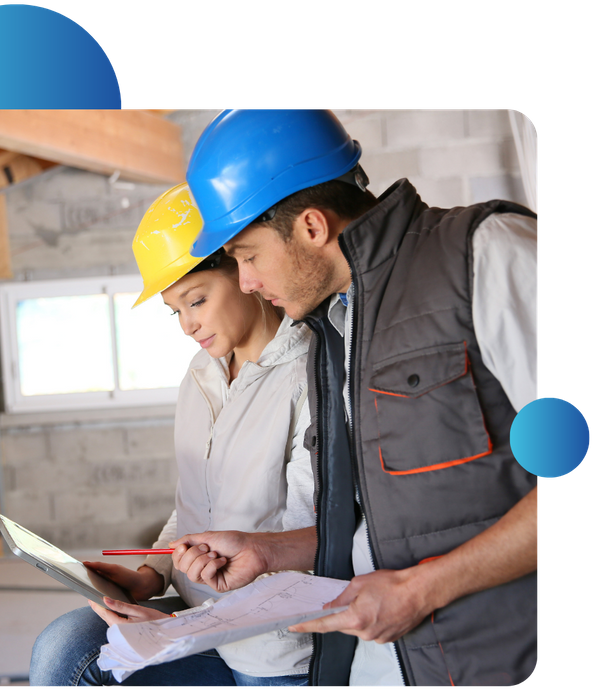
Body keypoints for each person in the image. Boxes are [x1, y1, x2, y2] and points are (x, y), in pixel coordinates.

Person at [167, 108, 539, 688]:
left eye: (248, 256)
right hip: (385, 666)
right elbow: (381, 520)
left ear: (311, 227)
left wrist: (420, 590)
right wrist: (271, 551)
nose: (246, 283)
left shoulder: (486, 253)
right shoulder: (333, 331)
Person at [28, 182, 316, 688]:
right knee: (65, 646)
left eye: (196, 300)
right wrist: (150, 575)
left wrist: (185, 630)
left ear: (244, 270)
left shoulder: (307, 377)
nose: (187, 325)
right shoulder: (201, 375)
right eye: (175, 311)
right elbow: (193, 505)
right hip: (191, 609)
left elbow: (310, 549)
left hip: (268, 646)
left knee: (76, 658)